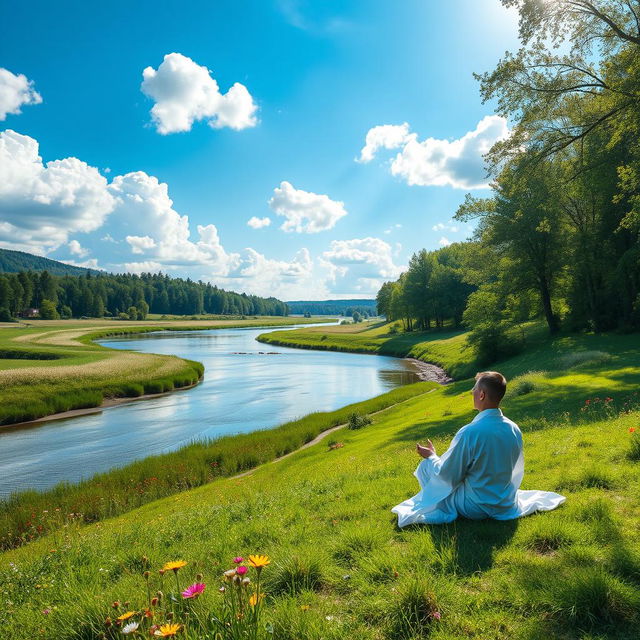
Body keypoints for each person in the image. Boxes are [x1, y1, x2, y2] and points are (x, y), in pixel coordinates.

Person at [391, 371, 565, 527]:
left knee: (427, 466)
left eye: (474, 389)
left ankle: (432, 503)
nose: (472, 392)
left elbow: (448, 475)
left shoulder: (470, 432)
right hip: (504, 501)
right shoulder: (513, 428)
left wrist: (432, 456)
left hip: (474, 506)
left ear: (481, 394)